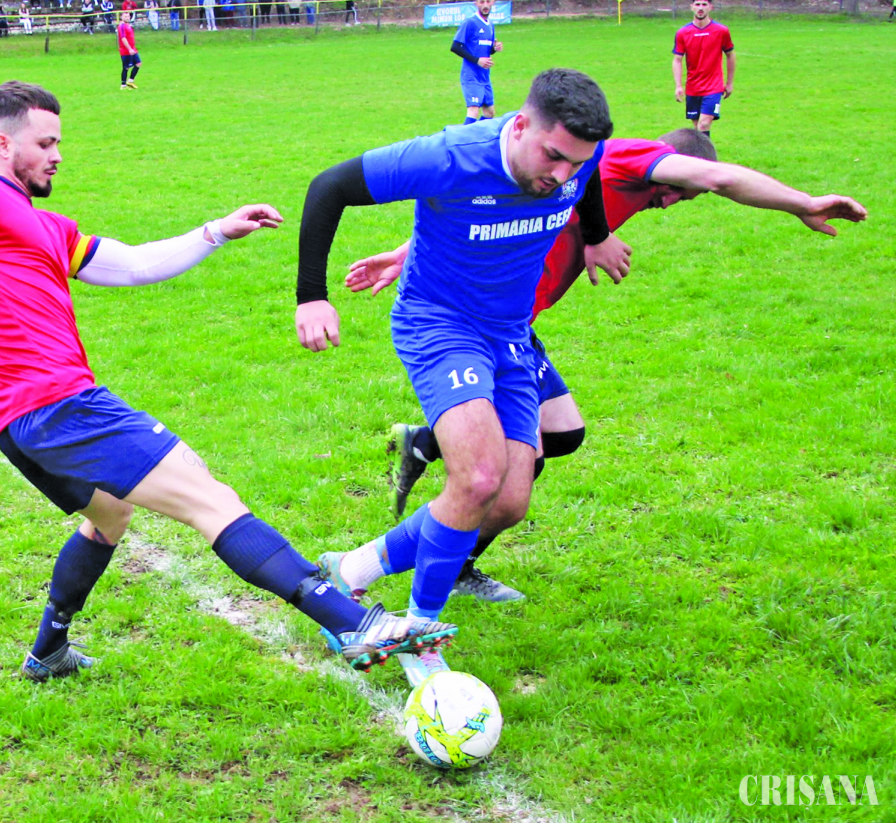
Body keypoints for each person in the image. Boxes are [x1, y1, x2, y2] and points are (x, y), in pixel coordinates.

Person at [0, 80, 456, 682]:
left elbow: (133, 264)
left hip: (26, 420)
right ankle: (353, 623)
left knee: (109, 516)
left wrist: (215, 231)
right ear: (3, 144)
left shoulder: (47, 226)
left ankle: (49, 649)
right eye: (45, 143)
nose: (57, 155)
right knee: (210, 498)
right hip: (60, 406)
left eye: (58, 142)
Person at [336, 129, 867, 619]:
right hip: (476, 326)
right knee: (495, 482)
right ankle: (436, 561)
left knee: (561, 435)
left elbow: (509, 211)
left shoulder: (584, 175)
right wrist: (802, 203)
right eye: (678, 191)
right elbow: (719, 176)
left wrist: (596, 233)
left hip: (513, 327)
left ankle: (426, 458)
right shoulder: (633, 159)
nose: (671, 202)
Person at [294, 68, 630, 686]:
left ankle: (352, 569)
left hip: (511, 333)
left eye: (575, 163)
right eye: (553, 156)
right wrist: (311, 296)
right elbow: (329, 186)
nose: (562, 173)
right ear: (520, 125)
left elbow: (586, 184)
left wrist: (598, 237)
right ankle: (419, 636)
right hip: (439, 323)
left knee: (508, 499)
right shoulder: (450, 156)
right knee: (476, 476)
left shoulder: (576, 161)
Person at [672, 0, 733, 140]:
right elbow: (677, 59)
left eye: (704, 5)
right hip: (693, 87)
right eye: (697, 4)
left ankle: (706, 153)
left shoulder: (721, 31)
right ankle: (700, 153)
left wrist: (729, 83)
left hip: (714, 86)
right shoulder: (683, 33)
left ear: (710, 7)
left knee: (704, 124)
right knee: (697, 129)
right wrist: (678, 86)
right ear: (691, 7)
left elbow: (730, 55)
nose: (700, 8)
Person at [451, 0, 501, 125]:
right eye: (481, 2)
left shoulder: (490, 25)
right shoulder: (470, 22)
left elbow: (487, 49)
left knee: (489, 112)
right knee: (473, 110)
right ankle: (463, 136)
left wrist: (494, 48)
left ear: (492, 3)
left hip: (484, 76)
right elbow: (455, 47)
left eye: (488, 1)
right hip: (471, 74)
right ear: (476, 4)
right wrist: (477, 60)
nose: (485, 5)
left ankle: (476, 135)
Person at [117, 10, 140, 89]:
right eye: (125, 16)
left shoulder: (128, 25)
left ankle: (130, 81)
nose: (127, 18)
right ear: (121, 17)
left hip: (133, 49)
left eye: (128, 16)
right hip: (126, 50)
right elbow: (123, 38)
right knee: (126, 67)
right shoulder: (122, 26)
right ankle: (123, 85)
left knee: (138, 63)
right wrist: (129, 49)